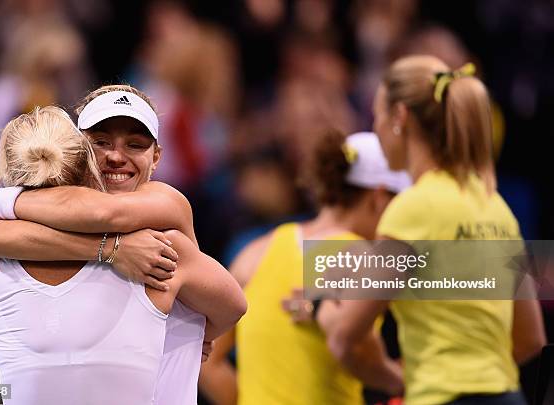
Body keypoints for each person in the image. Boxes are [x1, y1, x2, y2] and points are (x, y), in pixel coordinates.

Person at [0, 86, 247, 404]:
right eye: (100, 142)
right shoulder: (2, 247)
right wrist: (113, 250)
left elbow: (105, 213)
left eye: (135, 145)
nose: (116, 156)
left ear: (156, 157)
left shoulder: (165, 208)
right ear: (78, 149)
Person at [314, 55, 546, 405]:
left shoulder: (411, 208)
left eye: (377, 115)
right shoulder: (494, 204)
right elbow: (530, 339)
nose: (375, 127)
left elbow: (346, 334)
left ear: (399, 119)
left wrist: (323, 305)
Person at [199, 130, 409, 405]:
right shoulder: (365, 258)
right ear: (380, 197)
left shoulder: (254, 253)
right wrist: (401, 380)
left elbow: (206, 359)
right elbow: (359, 351)